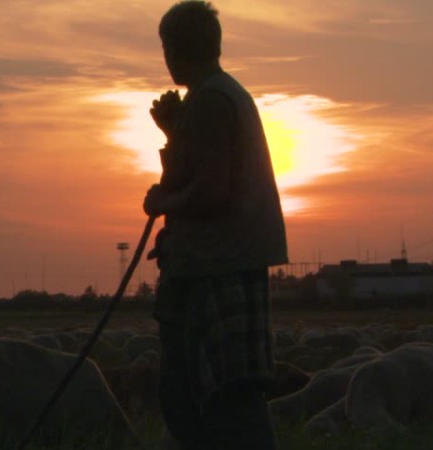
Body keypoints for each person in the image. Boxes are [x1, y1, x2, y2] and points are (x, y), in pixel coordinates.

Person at [142, 2, 288, 449]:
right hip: (221, 264)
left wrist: (163, 200)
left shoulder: (210, 101)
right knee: (218, 398)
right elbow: (205, 172)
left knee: (216, 400)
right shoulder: (221, 96)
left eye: (166, 46)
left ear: (174, 48)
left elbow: (210, 192)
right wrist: (174, 132)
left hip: (214, 269)